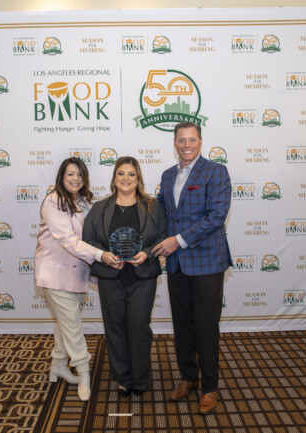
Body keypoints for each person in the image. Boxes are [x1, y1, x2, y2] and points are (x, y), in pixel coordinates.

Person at [151, 122, 232, 414]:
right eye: (181, 140)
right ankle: (188, 378)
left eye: (192, 140)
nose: (186, 145)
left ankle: (210, 386)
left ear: (200, 141)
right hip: (176, 264)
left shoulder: (216, 171)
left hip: (207, 261)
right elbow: (161, 211)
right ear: (175, 143)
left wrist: (178, 241)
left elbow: (216, 216)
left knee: (206, 326)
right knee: (183, 324)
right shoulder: (167, 174)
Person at [34, 157, 120, 401]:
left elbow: (97, 233)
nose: (75, 179)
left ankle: (58, 366)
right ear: (61, 177)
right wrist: (101, 255)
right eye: (70, 174)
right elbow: (68, 240)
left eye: (79, 175)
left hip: (77, 274)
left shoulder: (86, 201)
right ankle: (83, 372)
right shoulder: (53, 201)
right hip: (55, 274)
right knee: (72, 325)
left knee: (64, 322)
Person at [83, 156, 167, 396]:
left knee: (139, 328)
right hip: (111, 278)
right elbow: (88, 240)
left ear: (138, 177)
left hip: (142, 278)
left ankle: (140, 379)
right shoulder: (100, 208)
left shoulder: (153, 206)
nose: (126, 178)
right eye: (121, 173)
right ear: (114, 178)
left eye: (131, 174)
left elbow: (163, 236)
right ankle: (122, 377)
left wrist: (148, 253)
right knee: (115, 328)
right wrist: (103, 256)